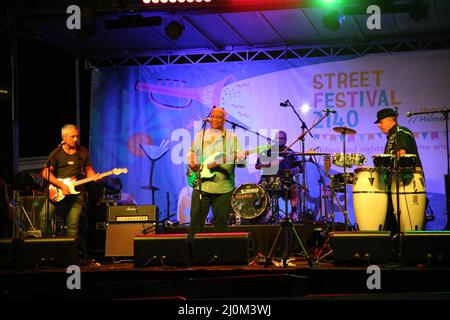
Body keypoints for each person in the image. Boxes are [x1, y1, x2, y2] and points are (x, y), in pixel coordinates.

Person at [187, 107, 246, 236]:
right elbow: (191, 152)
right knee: (195, 224)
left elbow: (241, 163)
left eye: (219, 117)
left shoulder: (232, 138)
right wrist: (191, 159)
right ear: (209, 118)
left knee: (221, 225)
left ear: (224, 120)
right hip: (201, 185)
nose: (215, 119)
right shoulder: (200, 135)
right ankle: (192, 254)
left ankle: (219, 254)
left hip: (223, 188)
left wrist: (241, 158)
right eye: (213, 116)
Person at [40, 124, 99, 237]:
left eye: (77, 136)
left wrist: (94, 177)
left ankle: (71, 251)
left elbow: (88, 169)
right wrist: (61, 185)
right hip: (57, 190)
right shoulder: (56, 153)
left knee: (72, 223)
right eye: (72, 136)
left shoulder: (83, 151)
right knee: (44, 217)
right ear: (64, 138)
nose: (76, 139)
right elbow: (45, 172)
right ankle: (47, 246)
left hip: (77, 191)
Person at [375, 108, 423, 232]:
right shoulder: (391, 137)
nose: (379, 126)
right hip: (397, 184)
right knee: (392, 221)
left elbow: (401, 154)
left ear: (389, 120)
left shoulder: (401, 133)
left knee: (406, 225)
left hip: (407, 183)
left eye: (380, 122)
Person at [255, 131, 303, 221]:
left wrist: (293, 170)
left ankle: (293, 212)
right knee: (259, 189)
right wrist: (271, 164)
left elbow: (300, 168)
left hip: (285, 180)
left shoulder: (290, 153)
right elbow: (257, 166)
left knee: (295, 188)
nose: (280, 140)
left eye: (282, 138)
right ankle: (261, 214)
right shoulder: (267, 152)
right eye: (278, 138)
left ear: (286, 140)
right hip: (268, 179)